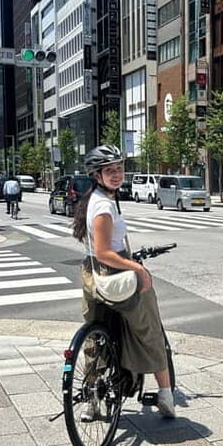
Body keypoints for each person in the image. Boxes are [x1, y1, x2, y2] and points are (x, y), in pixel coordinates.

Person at [72, 144, 175, 419]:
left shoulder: (93, 199)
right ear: (97, 175)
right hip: (113, 272)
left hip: (92, 276)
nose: (117, 174)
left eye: (119, 169)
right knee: (149, 328)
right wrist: (138, 269)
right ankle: (165, 393)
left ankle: (92, 399)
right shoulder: (104, 206)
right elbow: (106, 251)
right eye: (110, 171)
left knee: (96, 335)